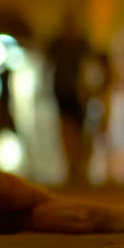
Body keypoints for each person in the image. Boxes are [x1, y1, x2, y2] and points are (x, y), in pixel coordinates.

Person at [47, 11, 91, 185]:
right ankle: (70, 167)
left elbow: (89, 65)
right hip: (61, 91)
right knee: (66, 129)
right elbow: (48, 64)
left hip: (78, 91)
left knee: (80, 131)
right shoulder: (56, 43)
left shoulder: (82, 43)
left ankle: (79, 167)